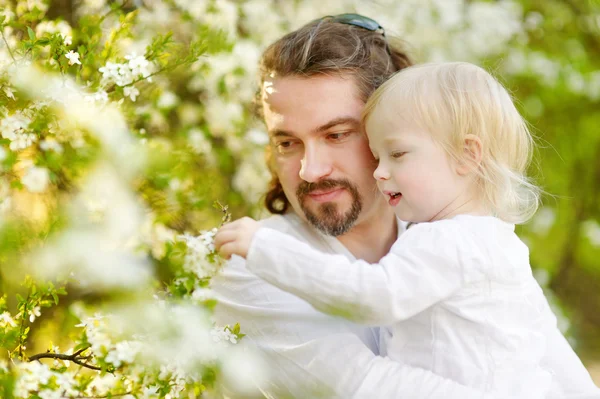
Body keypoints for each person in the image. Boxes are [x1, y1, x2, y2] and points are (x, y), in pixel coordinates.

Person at [211, 14, 600, 399]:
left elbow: (553, 361)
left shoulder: (458, 242)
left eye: (337, 134)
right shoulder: (247, 267)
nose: (310, 171)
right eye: (286, 143)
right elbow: (361, 389)